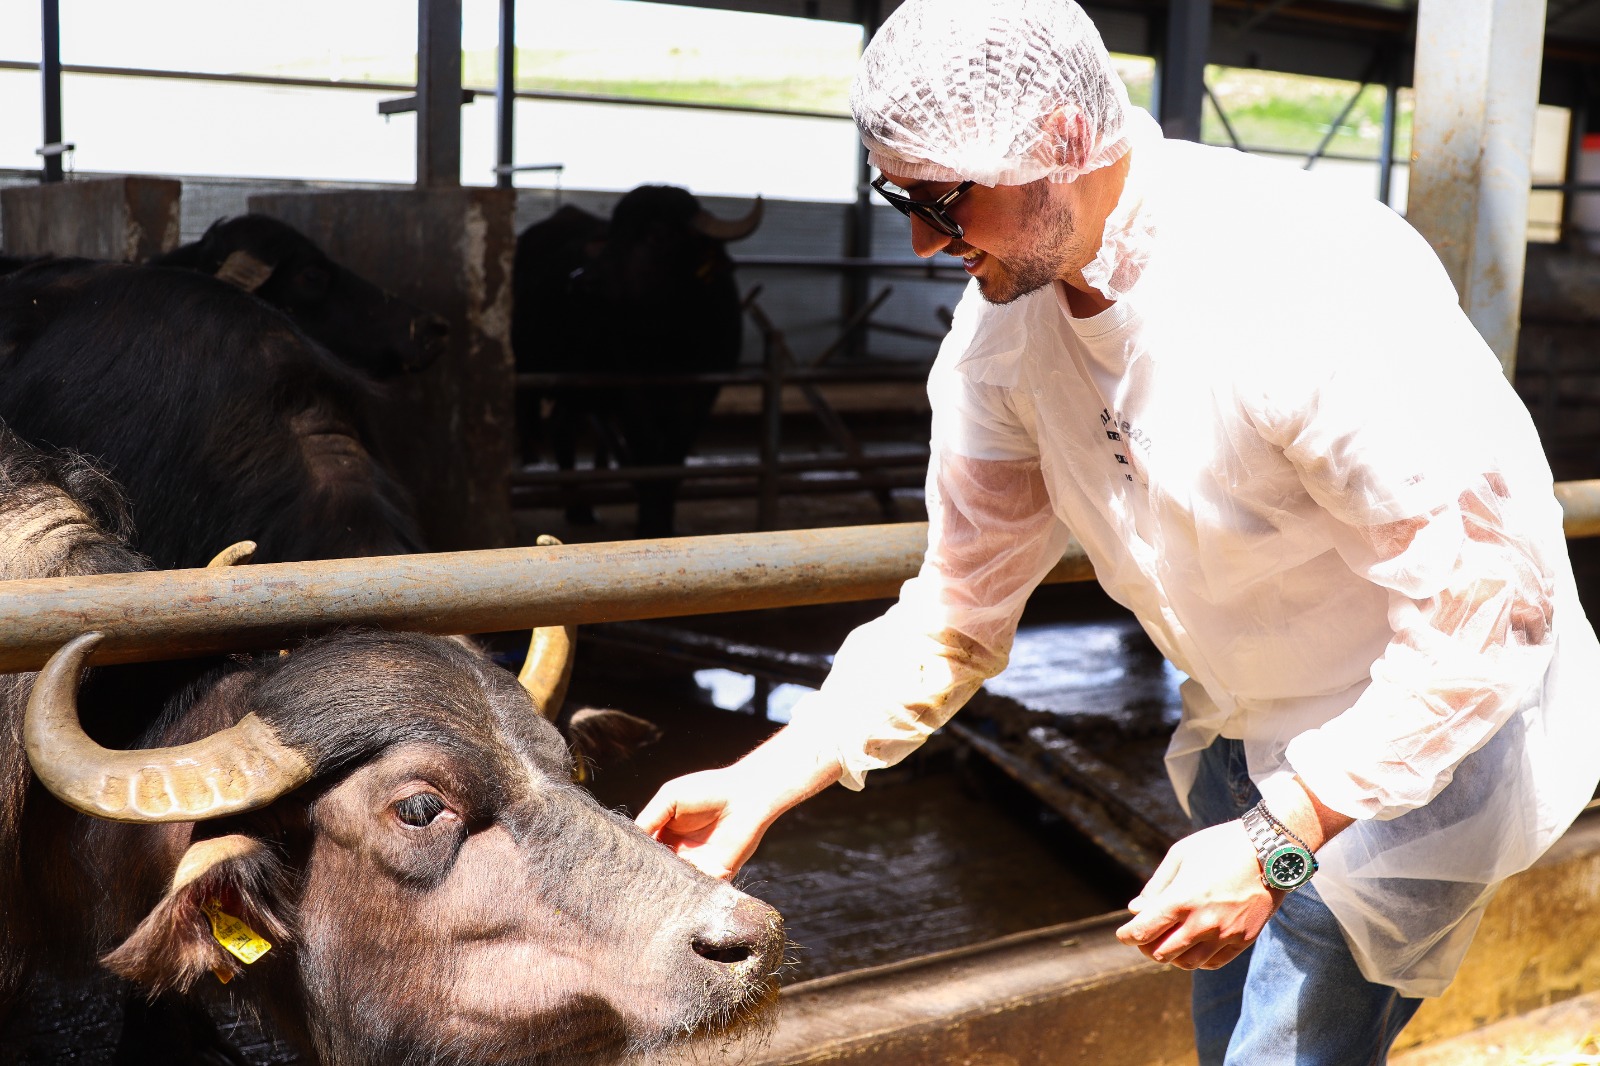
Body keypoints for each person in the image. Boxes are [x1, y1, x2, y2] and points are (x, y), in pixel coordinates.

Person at [635, 0, 1600, 1061]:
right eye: (898, 195)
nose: (918, 240)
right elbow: (958, 610)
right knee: (1226, 1029)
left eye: (942, 198)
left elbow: (1491, 609)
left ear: (1057, 140)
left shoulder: (1302, 280)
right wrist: (776, 769)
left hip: (1412, 738)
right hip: (1244, 726)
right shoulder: (1002, 338)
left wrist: (1278, 837)